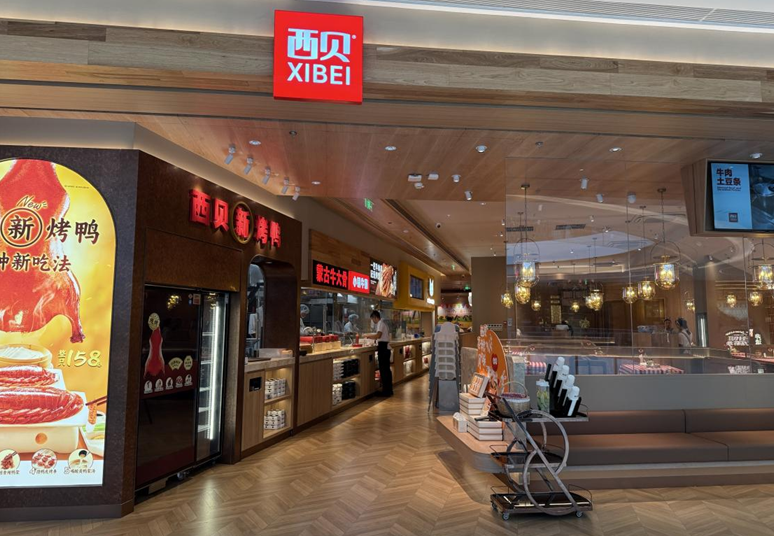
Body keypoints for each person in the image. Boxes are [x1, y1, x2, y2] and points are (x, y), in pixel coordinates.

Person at [366, 310, 392, 396]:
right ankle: (388, 390)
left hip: (383, 348)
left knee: (384, 370)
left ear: (375, 317)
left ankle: (386, 391)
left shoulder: (380, 323)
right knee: (386, 370)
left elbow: (378, 335)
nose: (373, 321)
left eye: (372, 319)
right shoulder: (383, 323)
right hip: (385, 348)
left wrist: (368, 336)